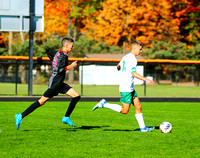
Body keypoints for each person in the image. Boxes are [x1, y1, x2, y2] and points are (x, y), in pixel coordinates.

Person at [15, 37, 81, 130]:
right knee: (41, 102)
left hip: (59, 83)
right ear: (66, 45)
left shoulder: (58, 53)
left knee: (76, 96)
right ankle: (21, 115)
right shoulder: (64, 56)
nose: (72, 48)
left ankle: (66, 117)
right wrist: (71, 66)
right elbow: (59, 70)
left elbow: (49, 53)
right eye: (72, 46)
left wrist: (53, 62)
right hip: (55, 84)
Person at [93, 40, 155, 132]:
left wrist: (120, 69)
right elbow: (133, 73)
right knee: (125, 111)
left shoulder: (125, 57)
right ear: (134, 48)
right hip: (126, 88)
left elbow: (118, 66)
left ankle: (143, 128)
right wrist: (146, 79)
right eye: (140, 49)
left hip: (129, 87)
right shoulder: (133, 59)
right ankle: (104, 104)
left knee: (138, 106)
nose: (141, 51)